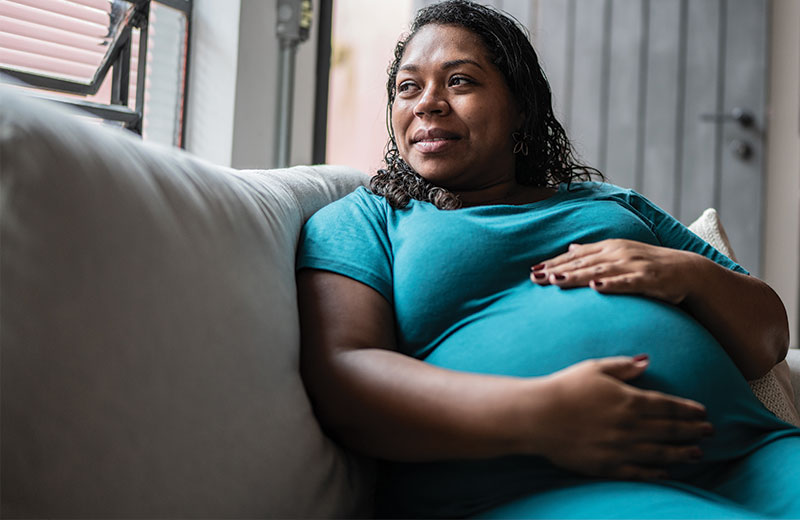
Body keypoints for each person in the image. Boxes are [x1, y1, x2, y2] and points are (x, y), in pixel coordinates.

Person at [296, 1, 800, 517]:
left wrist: (690, 274)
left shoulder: (611, 204)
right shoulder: (364, 220)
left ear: (520, 107)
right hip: (532, 485)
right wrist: (538, 416)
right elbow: (344, 376)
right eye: (408, 87)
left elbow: (769, 341)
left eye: (459, 81)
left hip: (752, 455)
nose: (427, 103)